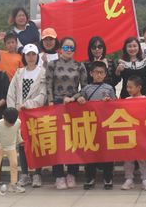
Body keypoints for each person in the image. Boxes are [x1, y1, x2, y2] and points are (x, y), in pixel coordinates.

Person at [45, 36, 87, 189]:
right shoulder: (52, 64)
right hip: (56, 105)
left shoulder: (79, 65)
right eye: (66, 47)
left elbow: (85, 88)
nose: (69, 50)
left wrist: (74, 98)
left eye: (71, 48)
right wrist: (51, 102)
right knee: (57, 141)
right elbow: (48, 85)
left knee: (72, 140)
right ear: (60, 49)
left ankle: (71, 174)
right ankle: (58, 175)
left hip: (73, 106)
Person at [6, 44, 46, 188]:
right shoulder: (19, 73)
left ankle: (37, 174)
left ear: (37, 56)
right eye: (28, 54)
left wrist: (29, 104)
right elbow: (11, 92)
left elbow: (43, 94)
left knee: (37, 144)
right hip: (20, 113)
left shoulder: (42, 73)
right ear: (24, 56)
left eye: (33, 54)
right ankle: (24, 174)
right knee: (22, 144)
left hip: (35, 113)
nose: (31, 57)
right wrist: (13, 110)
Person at [77, 62, 116, 191]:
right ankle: (90, 178)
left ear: (105, 74)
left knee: (107, 153)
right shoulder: (86, 88)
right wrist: (79, 99)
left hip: (105, 125)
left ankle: (108, 178)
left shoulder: (109, 88)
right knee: (90, 152)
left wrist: (110, 102)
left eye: (101, 72)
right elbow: (78, 98)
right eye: (96, 72)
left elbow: (116, 104)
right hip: (91, 125)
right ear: (91, 73)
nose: (99, 75)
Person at [120, 76, 146, 191]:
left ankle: (145, 179)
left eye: (131, 87)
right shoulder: (126, 100)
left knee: (143, 158)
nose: (128, 89)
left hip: (142, 134)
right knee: (128, 158)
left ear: (139, 87)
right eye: (127, 87)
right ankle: (129, 179)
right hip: (129, 133)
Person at [0, 107, 25, 195]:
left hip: (11, 147)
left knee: (14, 164)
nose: (11, 125)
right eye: (8, 123)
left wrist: (20, 140)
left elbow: (17, 132)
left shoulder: (18, 122)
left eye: (12, 123)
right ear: (3, 117)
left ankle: (13, 185)